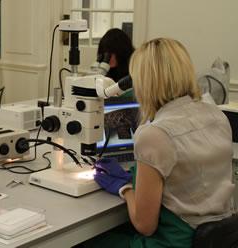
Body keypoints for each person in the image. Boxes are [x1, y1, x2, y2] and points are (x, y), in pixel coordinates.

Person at [85, 38, 235, 247]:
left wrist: (125, 188)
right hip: (218, 237)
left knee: (88, 241)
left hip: (175, 242)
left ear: (144, 82)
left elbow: (144, 225)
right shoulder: (216, 115)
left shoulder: (154, 134)